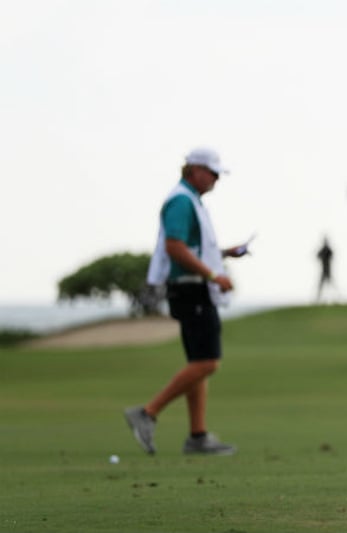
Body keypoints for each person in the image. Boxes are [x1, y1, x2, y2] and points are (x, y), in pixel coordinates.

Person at [124, 147, 249, 456]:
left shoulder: (191, 200)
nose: (217, 179)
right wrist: (213, 276)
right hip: (190, 289)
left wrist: (225, 253)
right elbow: (175, 248)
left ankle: (197, 435)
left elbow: (193, 249)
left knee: (199, 364)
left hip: (192, 287)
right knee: (207, 362)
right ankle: (147, 413)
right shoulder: (181, 200)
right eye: (213, 172)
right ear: (193, 170)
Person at [316, 236, 335, 303]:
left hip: (328, 270)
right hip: (323, 270)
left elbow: (332, 255)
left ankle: (334, 298)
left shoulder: (328, 250)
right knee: (321, 285)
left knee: (331, 285)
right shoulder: (322, 250)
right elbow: (318, 256)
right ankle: (318, 300)